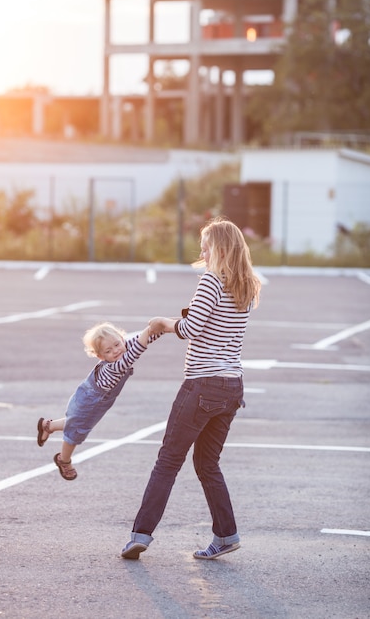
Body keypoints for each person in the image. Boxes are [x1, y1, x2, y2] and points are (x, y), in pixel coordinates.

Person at [121, 217, 261, 560]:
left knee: (168, 460)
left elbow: (191, 328)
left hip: (202, 385)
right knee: (207, 463)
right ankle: (227, 535)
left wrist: (162, 324)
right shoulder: (245, 285)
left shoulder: (210, 280)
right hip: (232, 387)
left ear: (220, 248)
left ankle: (140, 534)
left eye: (206, 243)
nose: (201, 249)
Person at [37, 322, 161, 480]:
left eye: (117, 344)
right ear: (101, 357)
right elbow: (138, 349)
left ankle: (48, 426)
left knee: (79, 423)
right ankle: (64, 460)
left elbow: (146, 337)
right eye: (108, 351)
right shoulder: (116, 366)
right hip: (89, 402)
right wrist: (155, 325)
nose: (115, 351)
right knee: (76, 431)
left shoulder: (124, 347)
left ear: (122, 339)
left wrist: (166, 326)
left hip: (91, 397)